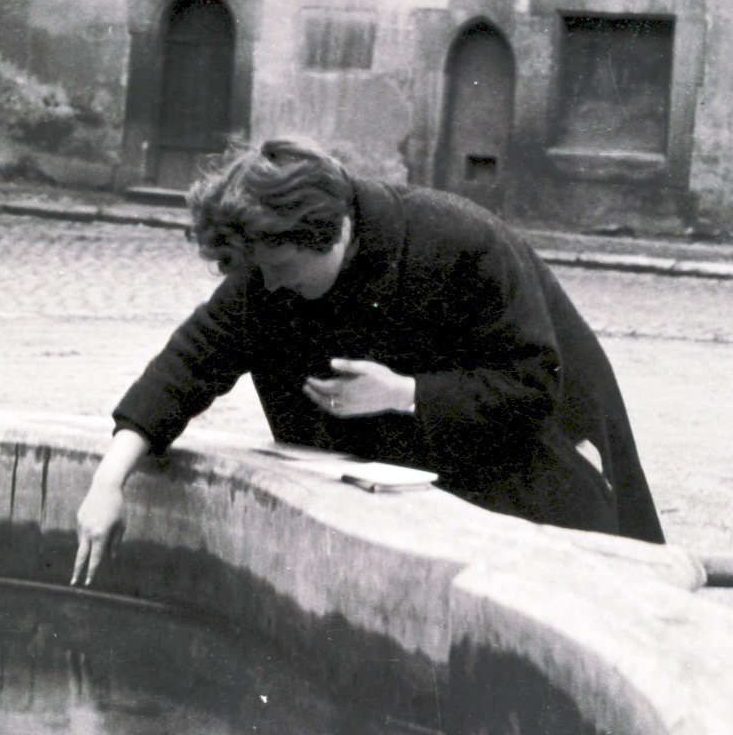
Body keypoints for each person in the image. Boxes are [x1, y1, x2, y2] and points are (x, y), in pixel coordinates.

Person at [72, 138, 663, 586]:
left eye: (279, 273)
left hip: (541, 472)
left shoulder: (460, 241)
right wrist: (108, 482)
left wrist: (404, 393)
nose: (268, 290)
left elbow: (532, 385)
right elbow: (189, 363)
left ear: (329, 237)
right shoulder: (268, 266)